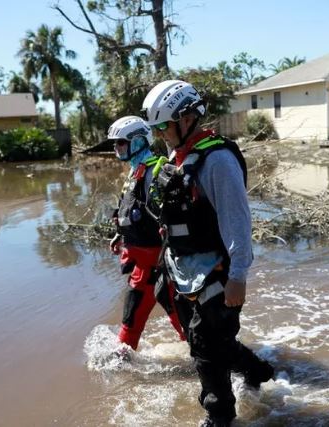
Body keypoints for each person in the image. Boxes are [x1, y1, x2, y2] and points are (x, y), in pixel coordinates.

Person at [141, 80, 274, 427]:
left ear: (186, 119)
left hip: (217, 272)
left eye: (162, 126)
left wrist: (238, 277)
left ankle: (219, 417)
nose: (159, 134)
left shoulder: (217, 161)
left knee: (204, 347)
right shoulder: (178, 157)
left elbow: (237, 222)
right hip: (185, 270)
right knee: (212, 343)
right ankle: (257, 370)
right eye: (154, 128)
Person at [106, 116, 185, 351]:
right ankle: (117, 370)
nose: (116, 148)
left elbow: (173, 219)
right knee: (129, 325)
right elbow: (133, 211)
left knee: (186, 324)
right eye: (115, 143)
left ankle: (216, 366)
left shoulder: (155, 173)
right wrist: (120, 235)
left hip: (162, 269)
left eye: (120, 142)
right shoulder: (135, 173)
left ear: (139, 141)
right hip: (142, 267)